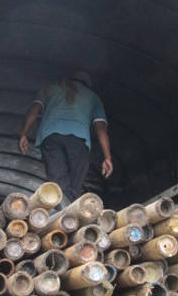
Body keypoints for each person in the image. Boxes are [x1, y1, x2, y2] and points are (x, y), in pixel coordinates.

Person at [19, 71, 113, 202]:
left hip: (51, 137)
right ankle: (66, 215)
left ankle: (61, 213)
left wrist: (24, 133)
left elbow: (34, 110)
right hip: (78, 140)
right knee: (74, 187)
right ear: (88, 85)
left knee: (58, 184)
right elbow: (101, 128)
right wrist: (107, 157)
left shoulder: (50, 88)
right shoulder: (93, 97)